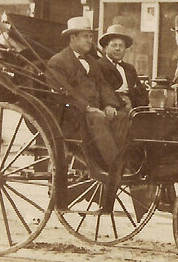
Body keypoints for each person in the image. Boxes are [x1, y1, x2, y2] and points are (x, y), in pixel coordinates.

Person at [46, 16, 126, 171]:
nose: (90, 40)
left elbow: (102, 85)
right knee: (98, 119)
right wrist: (87, 108)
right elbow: (64, 91)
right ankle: (114, 166)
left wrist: (109, 104)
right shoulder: (58, 61)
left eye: (90, 36)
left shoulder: (91, 61)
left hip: (94, 111)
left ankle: (119, 159)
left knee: (121, 116)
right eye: (85, 36)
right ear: (73, 38)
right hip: (71, 114)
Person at [95, 23, 147, 110]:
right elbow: (102, 90)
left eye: (121, 46)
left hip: (131, 108)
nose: (118, 49)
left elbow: (140, 91)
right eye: (114, 45)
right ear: (106, 48)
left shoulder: (130, 69)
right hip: (111, 108)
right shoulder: (98, 65)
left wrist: (138, 106)